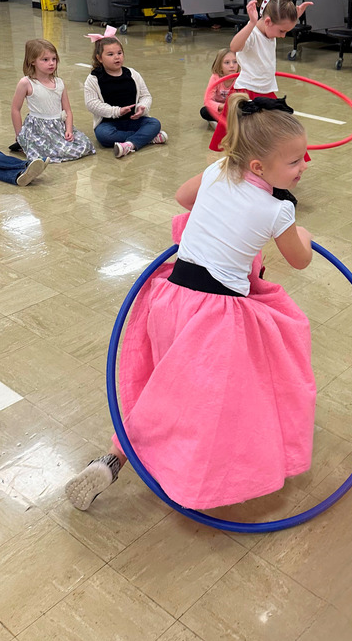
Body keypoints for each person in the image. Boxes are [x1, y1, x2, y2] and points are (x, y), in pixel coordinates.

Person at [65, 94, 315, 512]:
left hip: (171, 300)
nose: (304, 166)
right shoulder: (278, 211)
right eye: (294, 162)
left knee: (167, 389)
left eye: (304, 158)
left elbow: (184, 199)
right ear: (258, 167)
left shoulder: (219, 168)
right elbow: (300, 259)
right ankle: (192, 476)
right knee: (206, 404)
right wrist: (300, 232)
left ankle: (112, 460)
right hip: (214, 320)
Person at [209, 0, 312, 152]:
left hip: (264, 90)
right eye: (282, 31)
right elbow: (234, 47)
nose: (283, 36)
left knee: (277, 131)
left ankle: (285, 163)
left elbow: (279, 27)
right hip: (245, 91)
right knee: (233, 137)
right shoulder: (253, 35)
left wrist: (296, 15)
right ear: (269, 21)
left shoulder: (270, 30)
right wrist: (250, 23)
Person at [10, 38, 95, 162]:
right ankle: (27, 146)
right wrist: (19, 135)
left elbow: (68, 110)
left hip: (57, 126)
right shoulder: (26, 83)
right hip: (38, 129)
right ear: (32, 61)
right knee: (55, 152)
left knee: (85, 145)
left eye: (54, 59)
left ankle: (42, 148)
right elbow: (15, 109)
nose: (51, 63)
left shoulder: (59, 83)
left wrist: (69, 130)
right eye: (45, 60)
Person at [83, 34, 167, 158]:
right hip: (108, 123)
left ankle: (129, 144)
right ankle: (147, 138)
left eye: (119, 53)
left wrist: (142, 107)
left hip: (133, 120)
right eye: (110, 54)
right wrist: (117, 111)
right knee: (103, 136)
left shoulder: (132, 74)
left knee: (154, 123)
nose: (116, 57)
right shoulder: (93, 79)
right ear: (99, 58)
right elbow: (92, 104)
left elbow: (146, 96)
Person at [200, 48, 239, 128]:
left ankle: (221, 121)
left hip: (233, 108)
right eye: (227, 63)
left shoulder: (240, 77)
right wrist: (222, 106)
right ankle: (219, 121)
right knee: (204, 111)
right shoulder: (215, 78)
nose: (232, 65)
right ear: (220, 66)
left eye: (235, 62)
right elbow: (208, 100)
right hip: (220, 108)